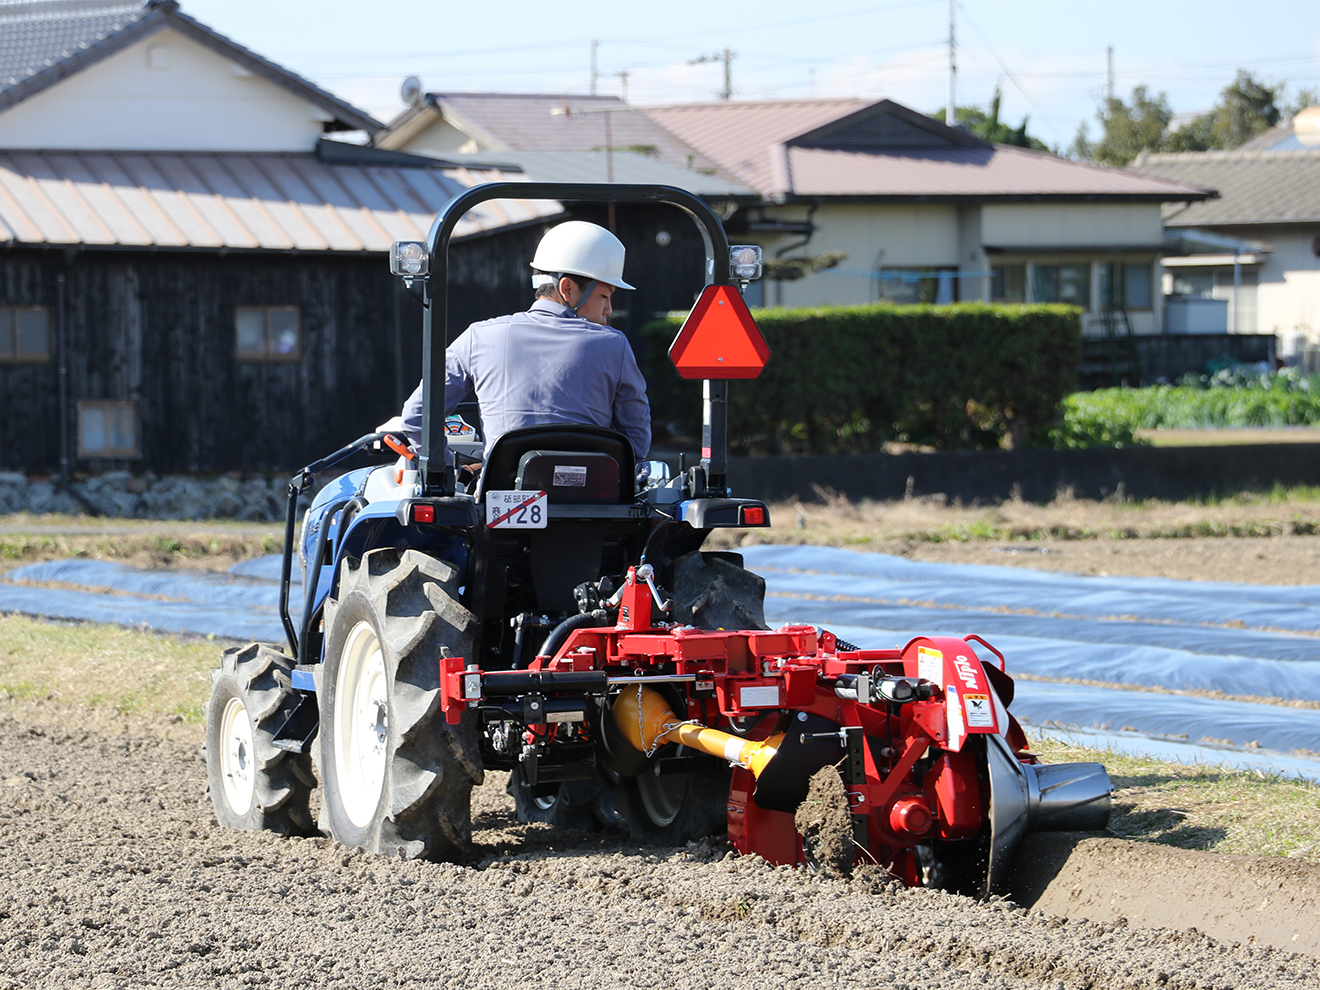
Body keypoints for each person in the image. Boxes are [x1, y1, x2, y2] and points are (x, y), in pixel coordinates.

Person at [390, 220, 651, 466]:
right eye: (605, 296)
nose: (608, 310)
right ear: (567, 288)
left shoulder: (478, 336)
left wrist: (451, 468)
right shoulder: (614, 345)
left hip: (501, 503)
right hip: (594, 502)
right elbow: (637, 441)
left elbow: (416, 418)